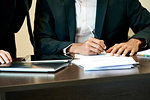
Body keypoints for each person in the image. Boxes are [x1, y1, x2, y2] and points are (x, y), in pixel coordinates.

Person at [34, 0, 150, 57]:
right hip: (63, 73)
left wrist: (136, 42)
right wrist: (74, 47)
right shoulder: (49, 1)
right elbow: (41, 41)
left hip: (112, 73)